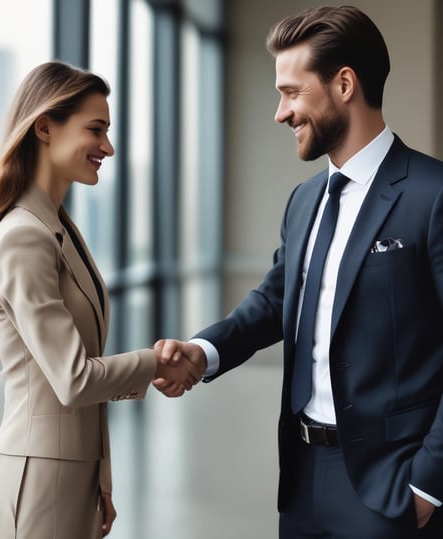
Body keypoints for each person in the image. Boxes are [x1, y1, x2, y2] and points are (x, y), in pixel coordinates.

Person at [153, 5, 443, 538]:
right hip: (303, 478)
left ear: (344, 84)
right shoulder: (305, 200)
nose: (280, 112)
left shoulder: (433, 194)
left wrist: (427, 484)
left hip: (391, 485)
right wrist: (202, 351)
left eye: (290, 91)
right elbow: (273, 302)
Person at [0, 61, 201, 539]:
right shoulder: (25, 236)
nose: (107, 147)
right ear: (44, 127)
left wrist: (101, 476)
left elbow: (76, 383)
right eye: (96, 130)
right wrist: (155, 362)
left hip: (65, 479)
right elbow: (73, 380)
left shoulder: (57, 226)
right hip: (35, 484)